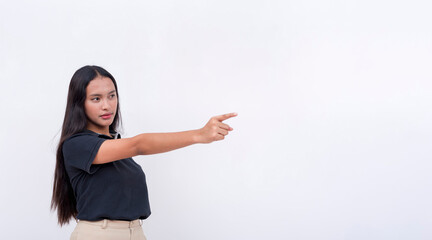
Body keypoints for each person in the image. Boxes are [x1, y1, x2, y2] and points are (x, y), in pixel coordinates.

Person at [51, 65, 237, 240]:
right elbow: (138, 145)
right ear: (79, 104)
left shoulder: (116, 148)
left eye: (112, 96)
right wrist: (198, 135)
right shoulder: (76, 144)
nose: (107, 105)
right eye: (96, 98)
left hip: (135, 232)